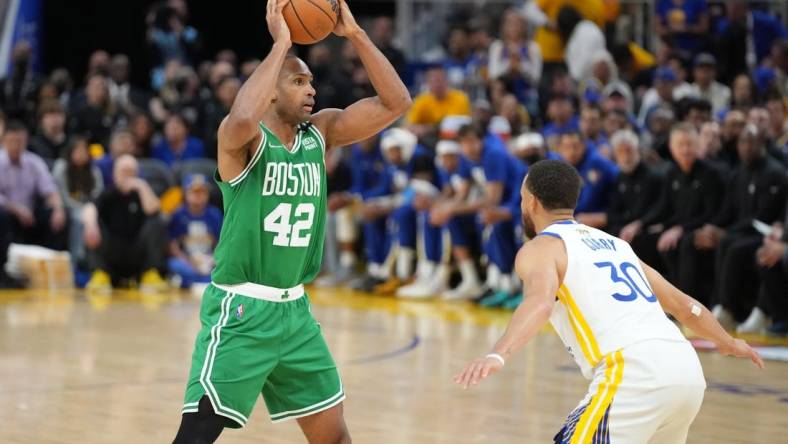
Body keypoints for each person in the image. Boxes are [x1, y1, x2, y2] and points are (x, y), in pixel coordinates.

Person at [173, 1, 411, 442]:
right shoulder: (241, 143)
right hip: (241, 310)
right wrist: (283, 42)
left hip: (296, 313)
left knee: (335, 437)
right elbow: (242, 116)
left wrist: (355, 35)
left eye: (311, 82)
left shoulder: (319, 135)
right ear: (271, 91)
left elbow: (396, 102)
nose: (311, 90)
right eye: (298, 81)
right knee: (198, 433)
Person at [455, 159, 763, 443]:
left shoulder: (542, 247)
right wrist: (727, 342)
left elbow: (540, 303)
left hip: (633, 373)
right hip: (686, 373)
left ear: (531, 202)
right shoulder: (617, 245)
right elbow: (684, 306)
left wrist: (497, 354)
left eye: (522, 198)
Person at [82, 154, 168, 292]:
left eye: (131, 172)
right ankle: (100, 274)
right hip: (111, 252)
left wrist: (141, 185)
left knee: (156, 221)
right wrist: (91, 225)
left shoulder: (143, 193)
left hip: (137, 253)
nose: (127, 176)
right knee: (91, 221)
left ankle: (151, 274)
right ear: (115, 173)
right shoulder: (108, 194)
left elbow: (153, 209)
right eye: (123, 171)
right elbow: (89, 207)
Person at [0, 121, 68, 287]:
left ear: (25, 141)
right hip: (7, 213)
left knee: (54, 215)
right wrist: (16, 210)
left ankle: (50, 271)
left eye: (20, 142)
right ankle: (4, 274)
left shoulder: (34, 162)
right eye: (12, 141)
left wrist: (58, 209)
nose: (16, 146)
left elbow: (50, 190)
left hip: (30, 215)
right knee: (2, 217)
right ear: (4, 141)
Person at [51, 135, 104, 264]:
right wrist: (82, 209)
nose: (81, 154)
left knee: (95, 219)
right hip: (67, 208)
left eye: (84, 150)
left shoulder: (94, 170)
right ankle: (77, 259)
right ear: (70, 152)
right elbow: (59, 192)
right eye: (77, 150)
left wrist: (89, 208)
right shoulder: (61, 167)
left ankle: (96, 264)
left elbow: (98, 194)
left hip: (90, 209)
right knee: (77, 219)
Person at [168, 174, 223, 291]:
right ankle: (202, 281)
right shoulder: (178, 214)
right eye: (195, 192)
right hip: (187, 260)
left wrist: (212, 260)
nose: (199, 196)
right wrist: (187, 261)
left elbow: (221, 242)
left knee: (222, 268)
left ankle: (189, 282)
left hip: (209, 259)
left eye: (203, 192)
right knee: (174, 264)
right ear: (186, 194)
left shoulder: (215, 215)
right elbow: (173, 245)